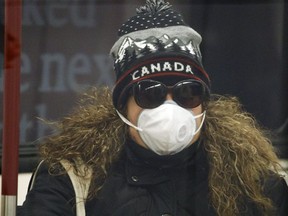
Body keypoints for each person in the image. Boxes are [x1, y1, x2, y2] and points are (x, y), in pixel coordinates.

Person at [19, 0, 288, 215]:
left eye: (187, 93)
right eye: (150, 94)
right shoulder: (69, 181)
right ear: (122, 106)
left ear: (205, 104)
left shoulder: (257, 186)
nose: (170, 108)